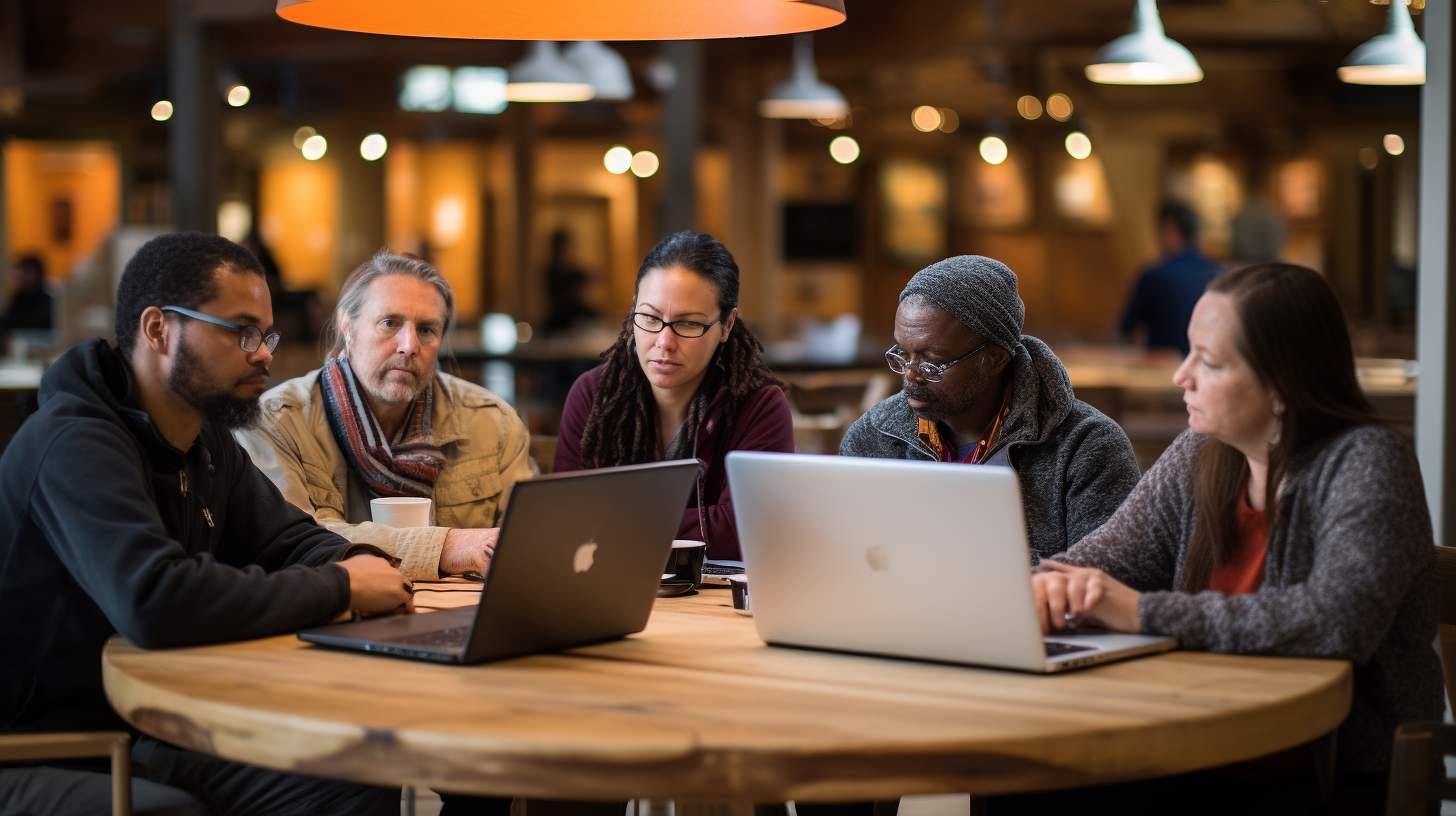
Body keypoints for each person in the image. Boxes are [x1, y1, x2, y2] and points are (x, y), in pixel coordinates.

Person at [0, 232, 407, 815]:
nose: (263, 353)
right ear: (158, 329)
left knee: (355, 771)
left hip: (149, 723)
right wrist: (343, 587)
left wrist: (357, 561)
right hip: (42, 747)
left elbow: (287, 538)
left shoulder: (204, 439)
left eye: (266, 334)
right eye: (240, 331)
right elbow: (156, 599)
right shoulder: (74, 441)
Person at [1033, 263, 1440, 811]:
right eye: (1188, 351)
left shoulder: (1367, 463)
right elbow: (1099, 563)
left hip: (1328, 773)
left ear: (1282, 385)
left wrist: (1143, 613)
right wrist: (1045, 588)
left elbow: (1336, 622)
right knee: (1033, 782)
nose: (1183, 376)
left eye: (1210, 362)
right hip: (1196, 744)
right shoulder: (1201, 453)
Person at [237, 251, 533, 581]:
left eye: (426, 330)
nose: (409, 345)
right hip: (338, 618)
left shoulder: (492, 423)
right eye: (389, 323)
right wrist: (447, 547)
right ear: (347, 328)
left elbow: (530, 542)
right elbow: (290, 543)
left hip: (462, 620)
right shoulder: (278, 422)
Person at [839, 255, 1139, 562]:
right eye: (903, 354)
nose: (911, 374)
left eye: (933, 360)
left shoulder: (1087, 448)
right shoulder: (871, 438)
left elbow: (1102, 586)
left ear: (995, 358)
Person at [554, 230, 794, 560]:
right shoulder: (594, 395)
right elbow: (568, 518)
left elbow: (748, 529)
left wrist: (614, 521)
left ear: (726, 325)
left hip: (713, 601)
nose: (664, 342)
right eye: (650, 318)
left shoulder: (758, 405)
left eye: (689, 324)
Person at [1120, 201, 1221, 355]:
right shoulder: (1219, 274)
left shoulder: (1155, 275)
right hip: (1207, 366)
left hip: (1164, 370)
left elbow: (1127, 329)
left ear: (1169, 229)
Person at [1, 253, 54, 334]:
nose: (21, 276)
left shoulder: (46, 300)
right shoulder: (19, 297)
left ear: (37, 274)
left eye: (26, 272)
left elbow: (39, 322)